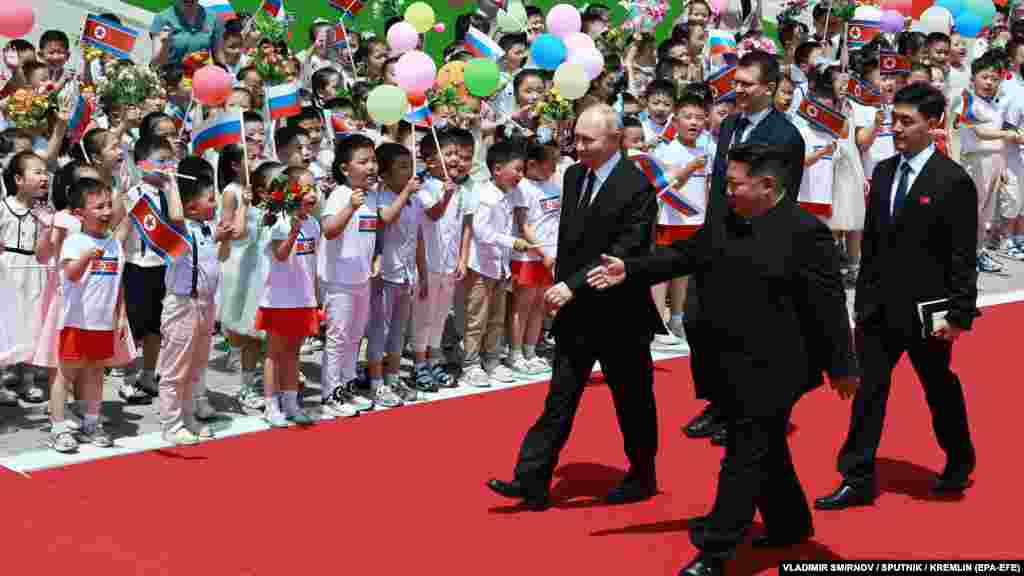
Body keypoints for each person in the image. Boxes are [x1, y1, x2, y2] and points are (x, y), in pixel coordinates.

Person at [587, 142, 858, 576]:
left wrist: (842, 366)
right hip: (725, 360)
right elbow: (683, 255)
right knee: (764, 447)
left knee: (744, 450)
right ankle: (790, 523)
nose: (726, 192)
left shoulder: (807, 233)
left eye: (734, 184)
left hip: (778, 366)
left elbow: (827, 305)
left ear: (767, 186)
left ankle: (715, 550)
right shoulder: (727, 219)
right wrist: (630, 270)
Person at [486, 104, 663, 510]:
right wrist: (559, 287)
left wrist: (572, 285)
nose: (578, 147)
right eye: (577, 139)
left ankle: (642, 474)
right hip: (576, 310)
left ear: (615, 140)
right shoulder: (574, 175)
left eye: (589, 140)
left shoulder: (636, 186)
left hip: (621, 312)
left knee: (632, 400)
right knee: (559, 398)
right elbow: (571, 240)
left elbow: (626, 250)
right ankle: (531, 479)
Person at [816, 82, 980, 510]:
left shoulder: (952, 181)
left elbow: (963, 255)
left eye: (907, 122)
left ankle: (959, 459)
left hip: (928, 312)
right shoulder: (886, 171)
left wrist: (959, 313)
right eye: (894, 120)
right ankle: (857, 475)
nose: (897, 129)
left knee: (938, 387)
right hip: (878, 309)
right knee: (869, 390)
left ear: (933, 123)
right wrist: (862, 301)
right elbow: (872, 244)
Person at [683, 50, 805, 444]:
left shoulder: (786, 136)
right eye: (735, 82)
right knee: (700, 321)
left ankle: (740, 410)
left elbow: (784, 199)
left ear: (769, 89)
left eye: (746, 84)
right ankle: (717, 401)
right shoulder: (731, 124)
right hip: (717, 237)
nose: (736, 90)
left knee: (743, 332)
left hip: (757, 244)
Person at [150, 0, 220, 70]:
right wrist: (166, 44)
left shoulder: (212, 17)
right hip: (171, 78)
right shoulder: (162, 18)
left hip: (199, 77)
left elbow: (217, 57)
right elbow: (155, 64)